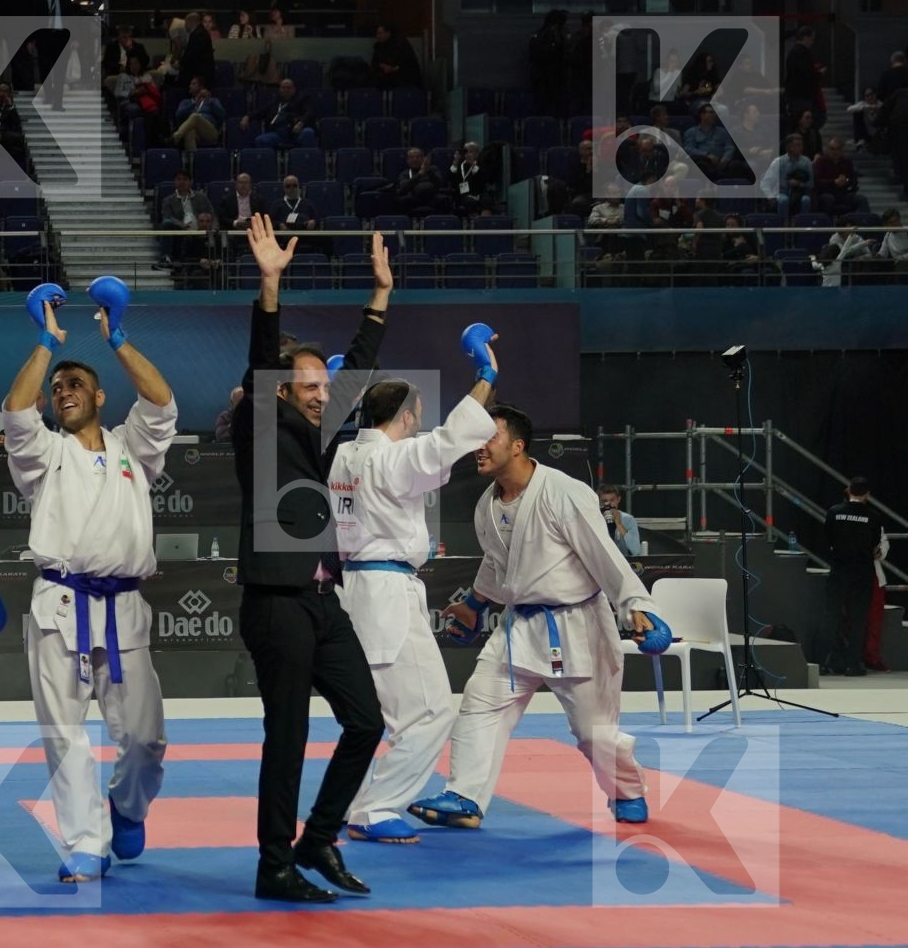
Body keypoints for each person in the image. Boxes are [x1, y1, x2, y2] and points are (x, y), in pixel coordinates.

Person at [230, 218, 390, 904]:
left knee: (367, 721)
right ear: (280, 393)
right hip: (276, 599)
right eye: (310, 387)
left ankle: (318, 838)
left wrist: (379, 298)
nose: (324, 394)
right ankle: (274, 866)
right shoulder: (259, 426)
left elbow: (355, 371)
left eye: (324, 387)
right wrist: (270, 284)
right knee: (288, 735)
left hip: (324, 599)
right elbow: (265, 358)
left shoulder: (316, 433)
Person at [413, 404, 661, 833]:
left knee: (594, 735)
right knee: (479, 706)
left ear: (519, 445)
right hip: (518, 627)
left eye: (490, 437)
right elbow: (496, 565)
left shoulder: (564, 492)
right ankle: (465, 795)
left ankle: (626, 791)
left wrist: (639, 608)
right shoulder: (487, 505)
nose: (480, 446)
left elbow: (606, 557)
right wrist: (474, 605)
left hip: (577, 624)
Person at [3, 286, 178, 882]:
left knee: (146, 739)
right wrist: (47, 345)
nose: (62, 393)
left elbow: (161, 401)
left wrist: (118, 339)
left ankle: (127, 806)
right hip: (59, 601)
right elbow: (15, 412)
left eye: (74, 385)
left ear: (99, 397)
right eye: (57, 389)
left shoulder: (135, 448)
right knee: (64, 733)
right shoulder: (43, 453)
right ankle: (83, 841)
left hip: (123, 605)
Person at [330, 350, 498, 845]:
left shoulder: (343, 455)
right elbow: (452, 440)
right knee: (430, 712)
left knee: (376, 713)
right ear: (405, 417)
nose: (420, 425)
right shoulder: (394, 456)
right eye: (417, 416)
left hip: (355, 590)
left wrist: (343, 386)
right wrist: (485, 377)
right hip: (386, 591)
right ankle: (375, 807)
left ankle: (351, 803)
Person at [823, 478, 885, 678]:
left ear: (848, 490)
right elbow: (875, 544)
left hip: (839, 570)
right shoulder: (873, 517)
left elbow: (828, 538)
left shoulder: (834, 512)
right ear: (867, 494)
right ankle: (853, 664)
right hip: (862, 573)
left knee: (833, 616)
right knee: (858, 619)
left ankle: (830, 661)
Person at [598, 484, 642, 558]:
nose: (608, 505)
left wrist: (619, 524)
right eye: (604, 501)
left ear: (618, 500)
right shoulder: (594, 519)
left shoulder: (628, 520)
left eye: (612, 500)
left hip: (623, 562)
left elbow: (636, 550)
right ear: (598, 501)